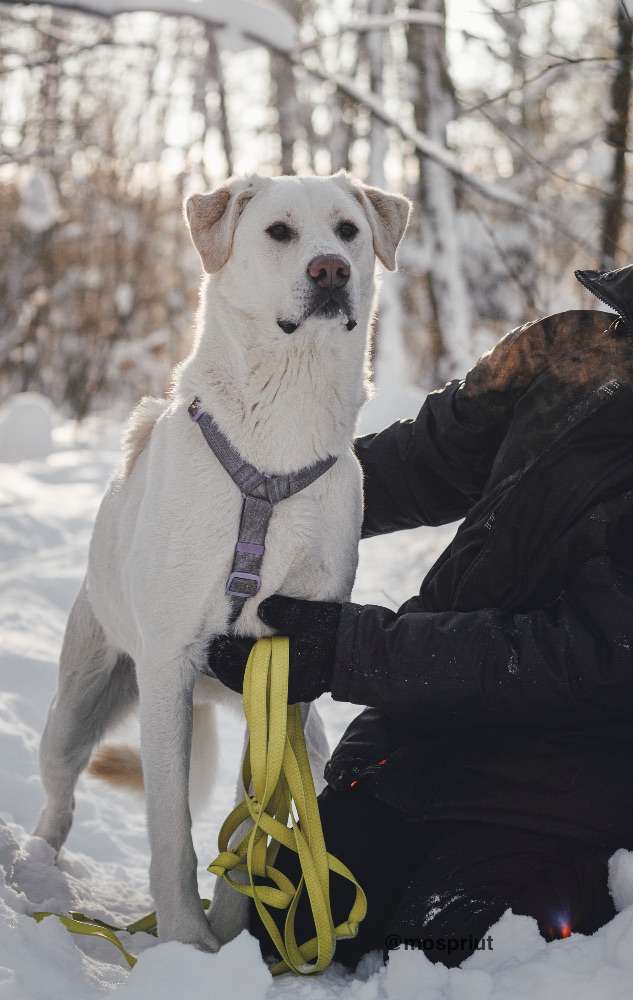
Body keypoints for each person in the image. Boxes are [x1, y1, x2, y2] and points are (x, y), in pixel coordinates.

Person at [207, 265, 633, 968]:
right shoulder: (569, 344)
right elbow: (423, 459)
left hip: (571, 791)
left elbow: (589, 656)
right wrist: (253, 505)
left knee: (442, 956)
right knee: (288, 926)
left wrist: (348, 652)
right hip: (418, 745)